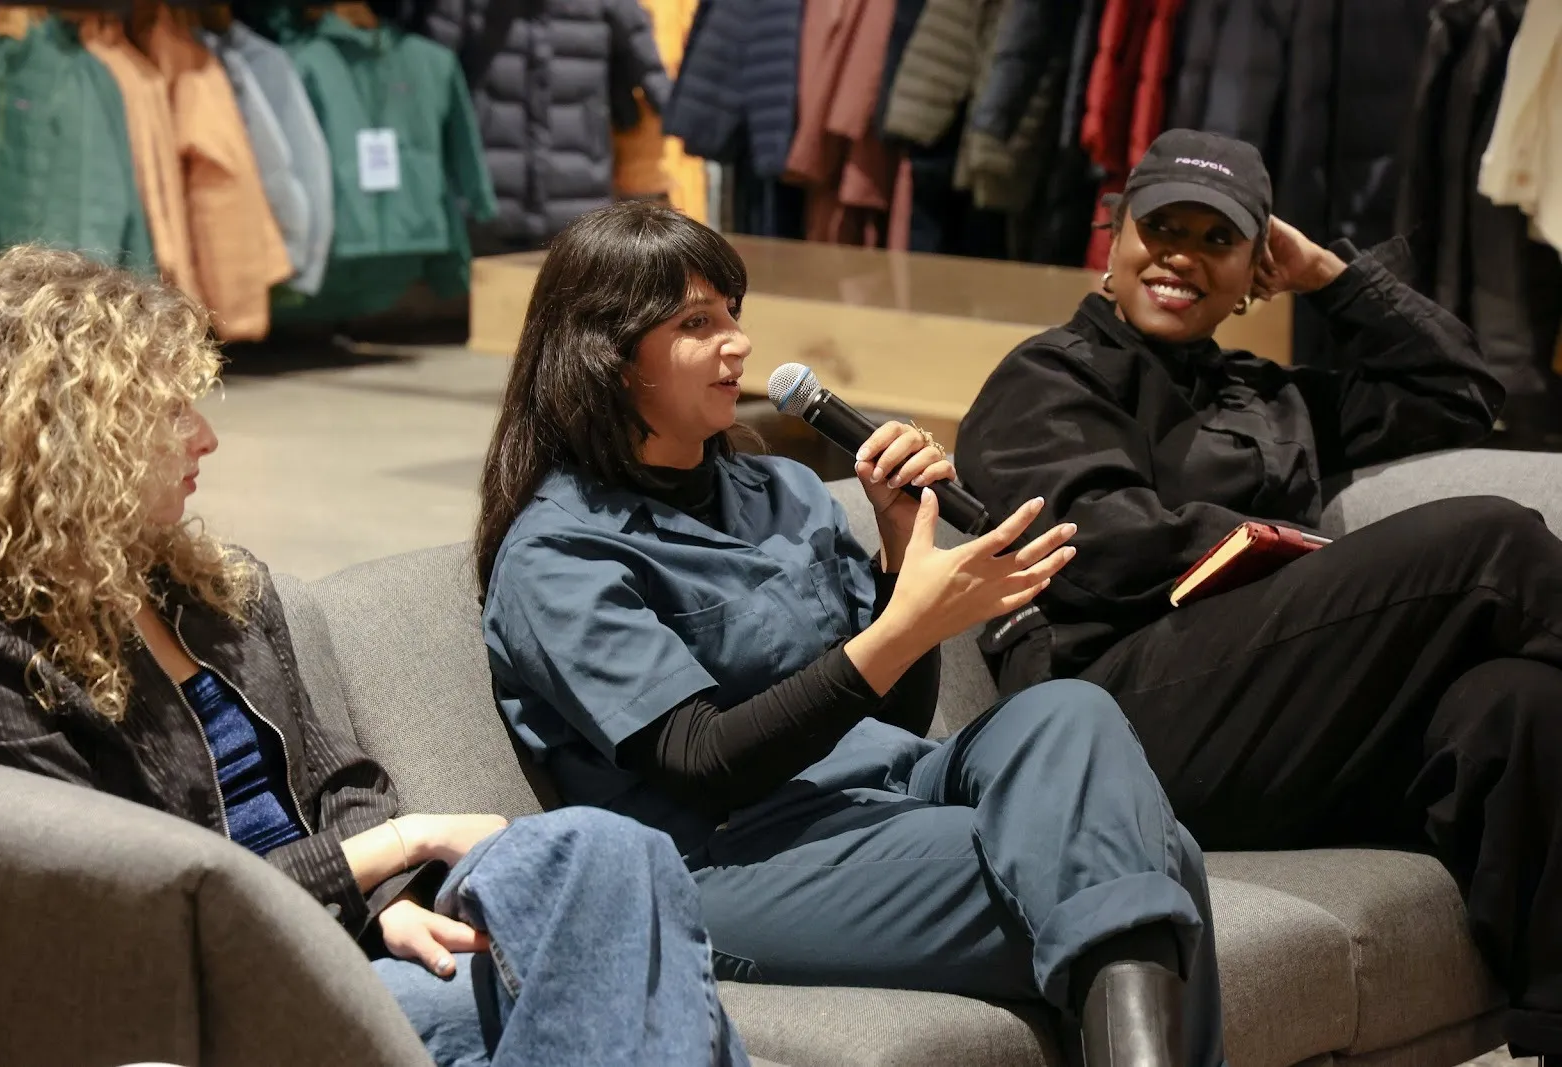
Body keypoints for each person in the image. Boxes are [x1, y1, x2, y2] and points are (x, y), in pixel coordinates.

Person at [476, 200, 1230, 1067]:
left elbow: (897, 722)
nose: (739, 344)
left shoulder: (784, 489)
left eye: (733, 314)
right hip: (725, 856)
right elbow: (701, 761)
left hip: (882, 794)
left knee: (1068, 712)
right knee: (1155, 856)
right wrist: (904, 627)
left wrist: (904, 550)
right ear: (606, 356)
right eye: (697, 323)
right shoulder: (559, 553)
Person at [0, 245, 750, 1067]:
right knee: (642, 972)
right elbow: (130, 906)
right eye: (167, 413)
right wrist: (387, 854)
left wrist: (380, 900)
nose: (205, 438)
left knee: (614, 854)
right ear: (68, 442)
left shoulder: (212, 590)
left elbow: (342, 783)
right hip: (221, 987)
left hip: (342, 935)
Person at [954, 127, 1562, 1057]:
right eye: (1161, 228)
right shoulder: (1047, 376)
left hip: (1271, 727)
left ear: (1252, 273)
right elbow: (1091, 545)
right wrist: (1282, 557)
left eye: (1215, 240)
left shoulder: (1271, 395)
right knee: (1491, 541)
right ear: (1112, 241)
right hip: (1112, 722)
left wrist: (1330, 276)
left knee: (1519, 707)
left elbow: (1464, 391)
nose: (1181, 257)